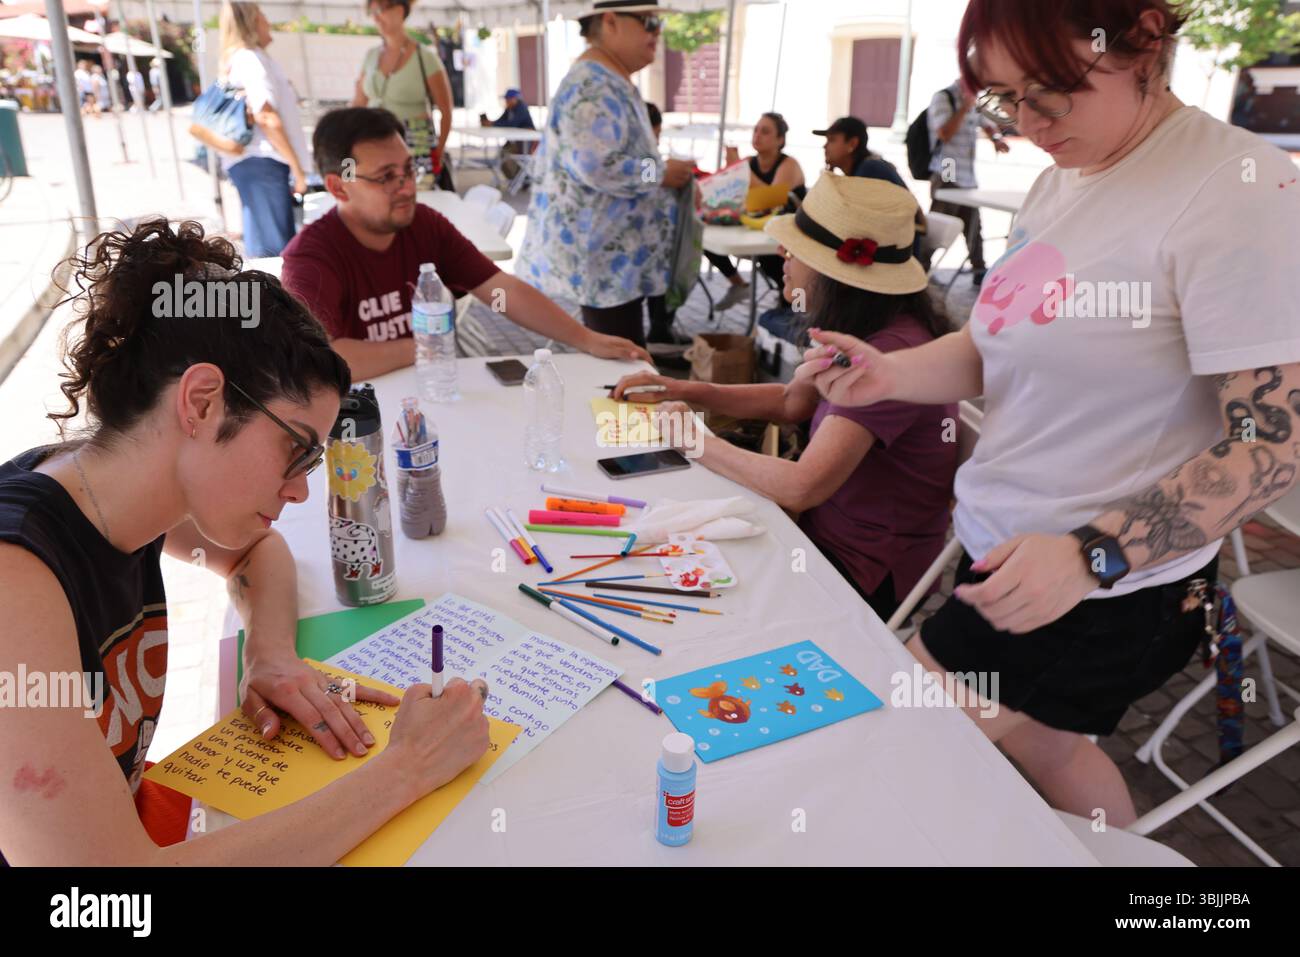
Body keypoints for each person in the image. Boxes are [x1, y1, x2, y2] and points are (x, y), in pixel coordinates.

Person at [798, 0, 1300, 828]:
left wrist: (1090, 557)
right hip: (1013, 549)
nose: (1027, 123)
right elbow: (998, 346)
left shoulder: (1241, 191)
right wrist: (887, 372)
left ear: (1142, 39)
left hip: (1105, 587)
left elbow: (1270, 451)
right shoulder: (1062, 171)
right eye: (1002, 98)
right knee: (1053, 746)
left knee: (886, 761)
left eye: (1049, 93)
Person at [0, 219, 493, 865]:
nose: (299, 492)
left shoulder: (109, 485)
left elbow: (255, 553)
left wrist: (271, 653)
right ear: (201, 402)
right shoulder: (15, 579)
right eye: (296, 450)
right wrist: (407, 767)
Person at [613, 176, 957, 621]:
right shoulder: (869, 326)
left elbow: (800, 488)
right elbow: (791, 402)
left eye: (797, 252)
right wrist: (686, 389)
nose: (783, 257)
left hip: (858, 569)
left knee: (672, 590)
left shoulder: (890, 355)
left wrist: (695, 440)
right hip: (820, 536)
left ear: (838, 275)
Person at [281, 108, 652, 380]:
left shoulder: (423, 224)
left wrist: (585, 338)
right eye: (386, 177)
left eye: (409, 169)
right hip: (357, 418)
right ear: (338, 186)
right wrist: (430, 345)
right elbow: (322, 360)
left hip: (430, 391)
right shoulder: (311, 258)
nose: (407, 187)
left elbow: (500, 290)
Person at [517, 2, 694, 349]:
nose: (657, 31)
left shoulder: (608, 79)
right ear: (611, 22)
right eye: (649, 22)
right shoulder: (591, 85)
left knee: (620, 365)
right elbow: (597, 165)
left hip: (614, 266)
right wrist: (659, 172)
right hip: (603, 268)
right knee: (621, 370)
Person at [217, 1, 312, 258]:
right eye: (262, 17)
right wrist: (297, 169)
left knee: (266, 249)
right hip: (264, 162)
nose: (268, 22)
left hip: (255, 164)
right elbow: (266, 115)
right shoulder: (251, 59)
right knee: (277, 254)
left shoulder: (240, 59)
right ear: (251, 23)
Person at [705, 112, 807, 312]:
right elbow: (728, 198)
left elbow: (769, 200)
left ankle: (795, 309)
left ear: (780, 140)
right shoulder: (749, 162)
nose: (757, 135)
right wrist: (731, 173)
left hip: (788, 242)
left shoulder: (789, 165)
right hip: (755, 232)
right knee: (703, 237)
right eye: (756, 130)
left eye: (765, 131)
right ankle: (737, 283)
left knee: (771, 261)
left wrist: (740, 169)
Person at [352, 0, 454, 191]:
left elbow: (446, 110)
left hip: (416, 143)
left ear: (399, 10)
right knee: (379, 199)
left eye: (380, 10)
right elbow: (358, 103)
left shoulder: (426, 57)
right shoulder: (371, 56)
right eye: (371, 12)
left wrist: (438, 152)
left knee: (415, 200)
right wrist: (348, 138)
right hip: (376, 140)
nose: (375, 17)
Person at [927, 77, 1010, 285]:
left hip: (967, 173)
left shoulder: (975, 101)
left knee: (973, 222)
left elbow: (986, 123)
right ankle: (921, 265)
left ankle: (979, 268)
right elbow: (944, 133)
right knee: (941, 221)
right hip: (947, 167)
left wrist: (995, 138)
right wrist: (964, 108)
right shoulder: (944, 98)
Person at [815, 116, 924, 259]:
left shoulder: (870, 170)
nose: (825, 146)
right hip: (893, 247)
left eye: (832, 140)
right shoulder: (865, 167)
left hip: (898, 254)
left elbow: (852, 223)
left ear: (852, 144)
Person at [480, 88, 536, 182]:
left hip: (525, 142)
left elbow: (512, 123)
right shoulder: (509, 109)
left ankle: (521, 178)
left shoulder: (522, 108)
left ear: (516, 99)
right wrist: (491, 123)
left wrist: (493, 124)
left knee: (511, 157)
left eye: (509, 99)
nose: (507, 101)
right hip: (514, 140)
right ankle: (515, 179)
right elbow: (501, 121)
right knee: (502, 155)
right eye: (506, 99)